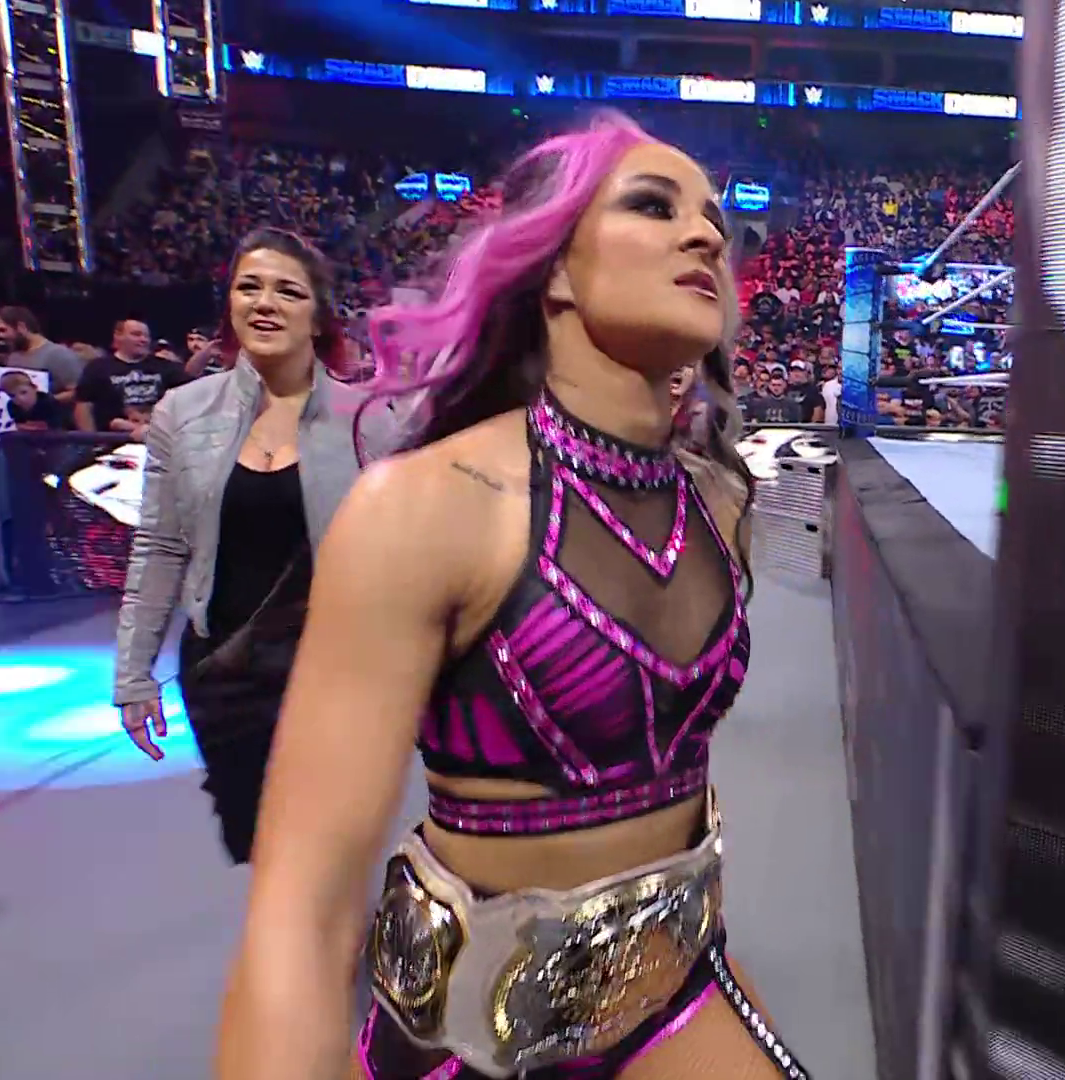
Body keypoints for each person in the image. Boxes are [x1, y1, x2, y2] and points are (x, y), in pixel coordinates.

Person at [216, 113, 803, 1080]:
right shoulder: (425, 507)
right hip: (468, 1042)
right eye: (654, 207)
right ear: (557, 268)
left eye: (715, 219)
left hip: (676, 988)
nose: (707, 236)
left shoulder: (721, 504)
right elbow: (303, 913)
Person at [112, 227, 390, 866]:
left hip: (335, 675)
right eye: (249, 287)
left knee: (325, 852)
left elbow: (404, 558)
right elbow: (159, 547)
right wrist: (133, 674)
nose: (265, 303)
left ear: (319, 316)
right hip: (223, 672)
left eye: (288, 291)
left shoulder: (371, 420)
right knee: (263, 848)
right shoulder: (181, 413)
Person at [74, 317, 189, 434]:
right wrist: (92, 440)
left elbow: (190, 392)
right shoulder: (98, 367)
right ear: (118, 336)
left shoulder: (165, 366)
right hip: (112, 438)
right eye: (136, 334)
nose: (143, 340)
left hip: (158, 435)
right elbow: (83, 406)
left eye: (146, 336)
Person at [0, 306, 85, 402]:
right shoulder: (13, 356)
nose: (0, 335)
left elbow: (78, 392)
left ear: (21, 327)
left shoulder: (58, 354)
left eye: (3, 330)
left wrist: (45, 402)